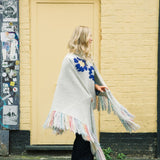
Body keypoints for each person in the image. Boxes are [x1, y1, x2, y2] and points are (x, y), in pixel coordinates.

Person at [43, 26, 140, 160]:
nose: (92, 39)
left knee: (85, 137)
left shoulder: (87, 59)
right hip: (76, 103)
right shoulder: (69, 60)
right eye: (89, 36)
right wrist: (84, 94)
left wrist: (95, 87)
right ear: (82, 38)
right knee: (84, 136)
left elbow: (85, 79)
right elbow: (68, 84)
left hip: (86, 103)